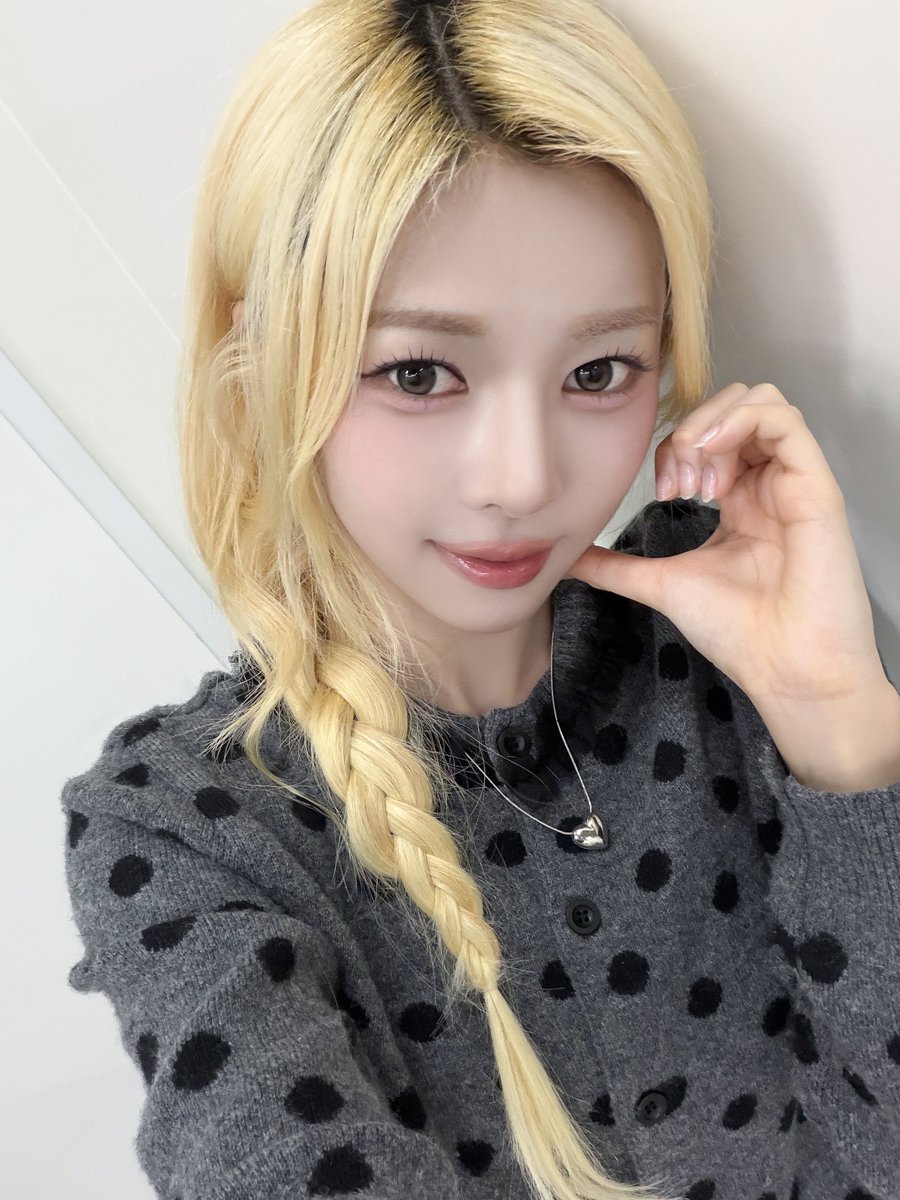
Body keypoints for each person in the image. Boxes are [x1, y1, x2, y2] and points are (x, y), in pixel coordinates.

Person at [60, 1, 900, 1198]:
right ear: (262, 368)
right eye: (419, 372)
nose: (523, 480)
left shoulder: (724, 641)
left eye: (599, 370)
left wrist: (835, 720)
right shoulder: (186, 826)